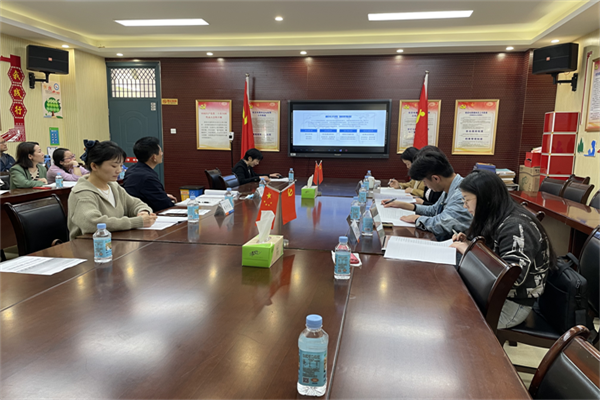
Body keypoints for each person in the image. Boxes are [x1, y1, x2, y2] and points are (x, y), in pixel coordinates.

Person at [450, 169, 556, 329]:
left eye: (467, 200)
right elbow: (494, 251)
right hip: (492, 296)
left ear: (485, 199)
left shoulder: (516, 227)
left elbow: (511, 279)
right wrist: (470, 243)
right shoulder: (497, 216)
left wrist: (469, 252)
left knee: (453, 319)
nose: (465, 206)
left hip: (510, 304)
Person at [68, 140, 157, 239]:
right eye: (114, 166)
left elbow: (135, 203)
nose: (119, 170)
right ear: (94, 166)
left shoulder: (113, 186)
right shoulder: (82, 193)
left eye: (121, 165)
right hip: (90, 245)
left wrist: (143, 211)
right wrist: (137, 222)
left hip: (116, 241)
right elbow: (92, 223)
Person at [382, 148, 472, 240]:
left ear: (436, 178)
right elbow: (433, 210)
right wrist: (403, 205)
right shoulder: (449, 187)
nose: (425, 185)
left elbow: (441, 224)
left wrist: (417, 219)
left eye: (424, 181)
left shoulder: (462, 194)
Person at [123, 136, 177, 212]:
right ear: (154, 157)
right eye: (160, 151)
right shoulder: (147, 177)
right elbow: (165, 205)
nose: (162, 154)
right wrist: (166, 199)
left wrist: (164, 196)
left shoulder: (133, 169)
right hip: (143, 213)